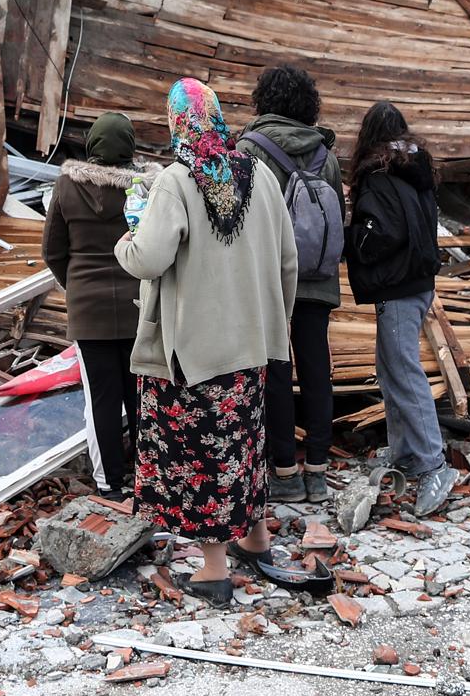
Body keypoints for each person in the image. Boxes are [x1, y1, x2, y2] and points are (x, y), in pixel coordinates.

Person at [116, 77, 298, 606]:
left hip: (193, 352)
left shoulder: (175, 180)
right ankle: (255, 539)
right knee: (245, 445)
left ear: (176, 122)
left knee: (202, 455)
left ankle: (212, 571)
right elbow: (288, 259)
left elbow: (149, 259)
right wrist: (272, 323)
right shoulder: (260, 174)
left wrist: (127, 236)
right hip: (253, 342)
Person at [345, 101, 456, 517]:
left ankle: (433, 464)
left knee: (405, 374)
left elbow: (382, 233)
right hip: (419, 283)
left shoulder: (378, 176)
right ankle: (406, 454)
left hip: (396, 286)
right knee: (393, 370)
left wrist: (353, 239)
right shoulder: (416, 170)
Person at [240, 63, 341, 504]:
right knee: (318, 373)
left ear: (264, 100)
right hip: (318, 278)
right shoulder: (327, 153)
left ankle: (284, 473)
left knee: (276, 375)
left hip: (270, 283)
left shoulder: (249, 149)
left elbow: (240, 220)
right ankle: (317, 471)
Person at [42, 112, 155, 494]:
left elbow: (52, 250)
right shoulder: (144, 189)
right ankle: (148, 479)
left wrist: (76, 288)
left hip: (89, 314)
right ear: (129, 145)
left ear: (92, 144)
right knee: (141, 398)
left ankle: (109, 483)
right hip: (140, 308)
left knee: (102, 401)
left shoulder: (66, 186)